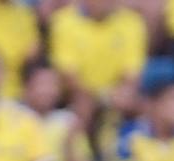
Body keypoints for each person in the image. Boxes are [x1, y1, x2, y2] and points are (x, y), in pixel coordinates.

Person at [48, 0, 148, 128]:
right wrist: (95, 96)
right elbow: (67, 74)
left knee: (142, 104)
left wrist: (119, 93)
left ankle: (124, 138)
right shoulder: (64, 20)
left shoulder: (132, 22)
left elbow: (132, 74)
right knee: (83, 102)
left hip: (114, 94)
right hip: (76, 95)